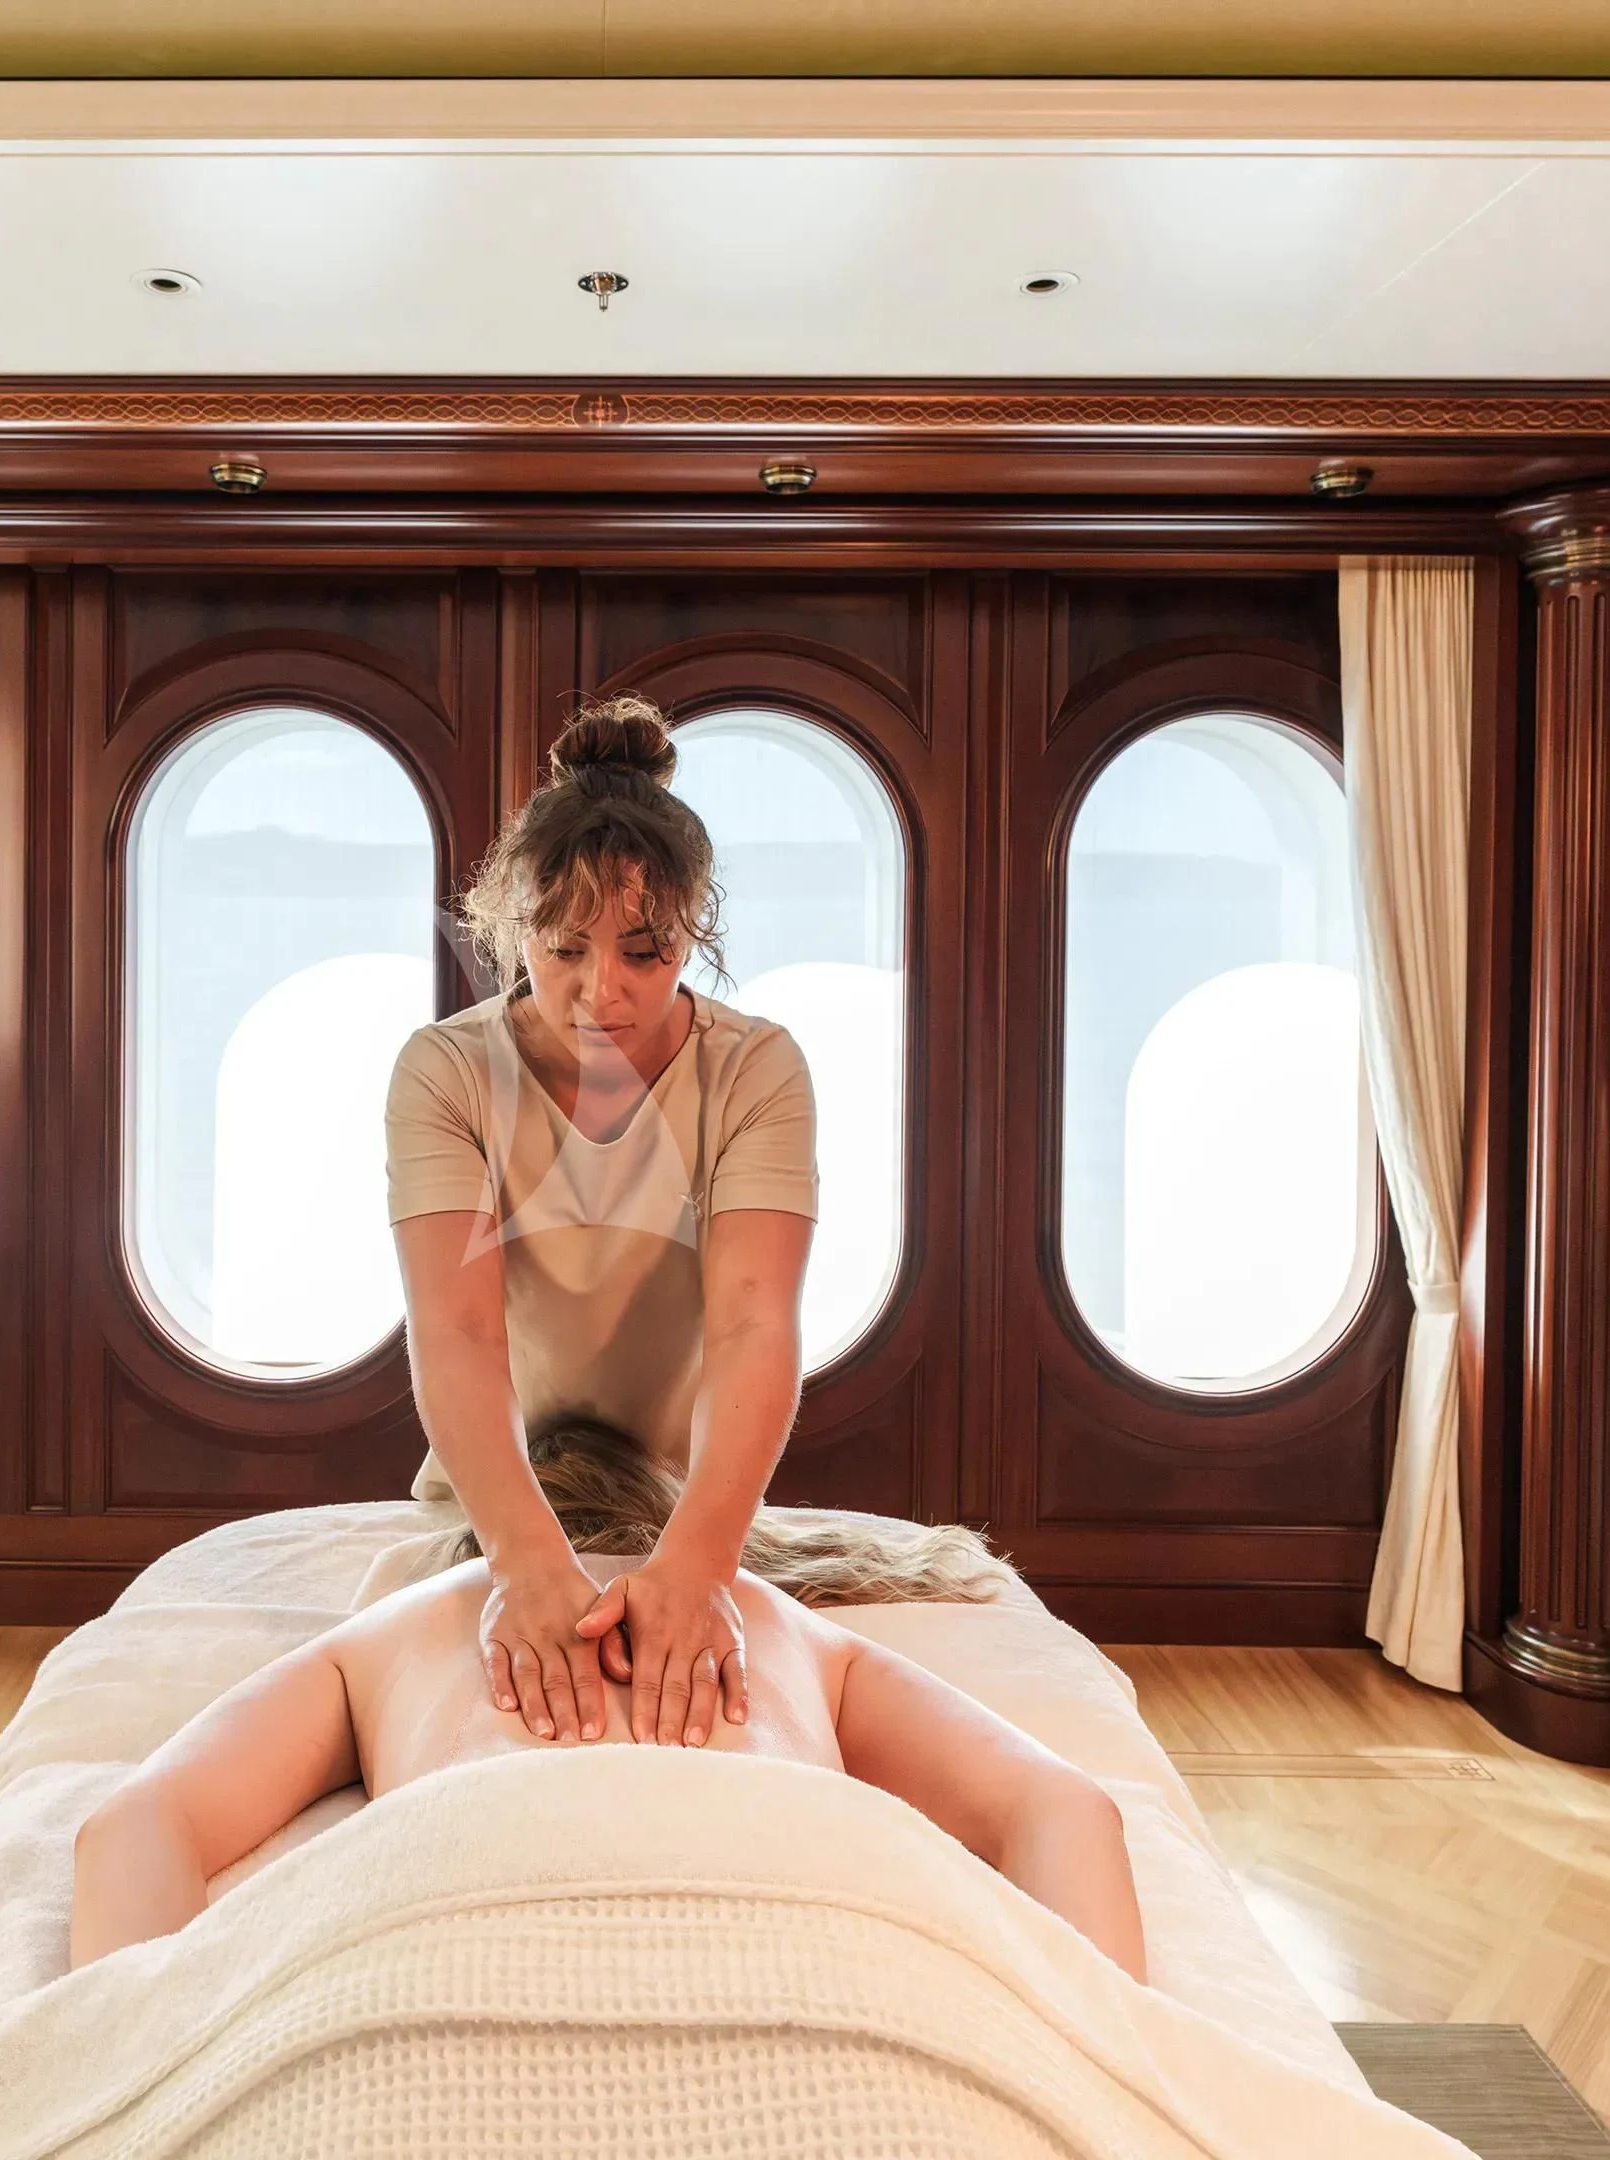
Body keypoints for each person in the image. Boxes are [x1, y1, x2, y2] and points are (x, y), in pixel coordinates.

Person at [70, 1418, 1148, 1984]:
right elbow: (1067, 1811)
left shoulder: (405, 1624)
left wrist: (141, 2048)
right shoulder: (775, 1620)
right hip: (795, 1908)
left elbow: (139, 1821)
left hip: (455, 1902)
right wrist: (1106, 2064)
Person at [386, 694, 819, 1750]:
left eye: (644, 950)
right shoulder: (445, 1072)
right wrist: (528, 1561)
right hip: (501, 1494)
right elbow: (459, 1332)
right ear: (514, 928)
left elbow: (754, 1328)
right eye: (566, 946)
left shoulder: (755, 1069)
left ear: (693, 938)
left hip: (687, 1497)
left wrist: (700, 1561)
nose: (601, 993)